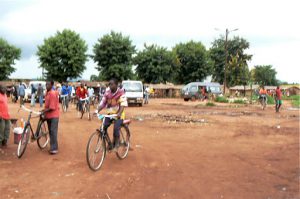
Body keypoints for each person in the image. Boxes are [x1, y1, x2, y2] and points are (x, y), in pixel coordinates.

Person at [96, 78, 128, 150]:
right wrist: (96, 110)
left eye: (112, 84)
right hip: (109, 114)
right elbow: (103, 103)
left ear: (116, 85)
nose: (110, 85)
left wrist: (119, 113)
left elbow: (123, 104)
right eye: (109, 84)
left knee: (116, 128)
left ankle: (117, 143)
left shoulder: (121, 92)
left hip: (118, 114)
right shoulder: (107, 93)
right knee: (103, 128)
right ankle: (110, 144)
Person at [41, 81, 60, 155]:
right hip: (48, 115)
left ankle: (54, 148)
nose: (46, 85)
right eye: (46, 84)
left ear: (52, 85)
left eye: (48, 84)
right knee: (51, 131)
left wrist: (44, 110)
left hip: (54, 115)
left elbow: (52, 107)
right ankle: (53, 146)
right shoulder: (47, 92)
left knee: (53, 131)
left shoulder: (52, 93)